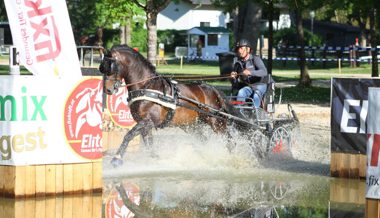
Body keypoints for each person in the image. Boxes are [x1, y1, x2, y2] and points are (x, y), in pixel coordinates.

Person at [230, 38, 270, 108]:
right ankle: (239, 112)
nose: (239, 50)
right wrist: (232, 78)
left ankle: (255, 113)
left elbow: (264, 72)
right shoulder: (237, 64)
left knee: (256, 96)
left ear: (248, 49)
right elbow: (234, 83)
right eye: (238, 49)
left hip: (260, 85)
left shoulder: (255, 59)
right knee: (241, 92)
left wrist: (250, 72)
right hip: (248, 86)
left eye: (241, 48)